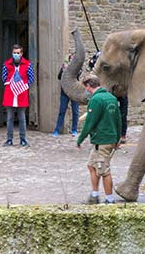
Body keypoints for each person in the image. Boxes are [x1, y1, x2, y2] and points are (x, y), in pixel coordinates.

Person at [77, 74, 122, 204]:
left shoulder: (96, 100)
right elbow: (119, 120)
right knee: (91, 166)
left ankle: (109, 199)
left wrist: (80, 139)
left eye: (85, 87)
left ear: (88, 86)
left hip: (102, 141)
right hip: (108, 139)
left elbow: (90, 122)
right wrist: (118, 138)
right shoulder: (111, 98)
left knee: (104, 170)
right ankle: (94, 195)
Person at [1, 44, 34, 147]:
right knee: (10, 118)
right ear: (12, 53)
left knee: (22, 118)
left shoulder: (27, 64)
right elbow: (4, 78)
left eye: (18, 53)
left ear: (21, 53)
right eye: (14, 53)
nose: (16, 54)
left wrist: (23, 87)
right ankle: (9, 139)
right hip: (10, 94)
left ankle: (23, 139)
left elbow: (31, 78)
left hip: (22, 94)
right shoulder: (6, 64)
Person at [52, 53, 80, 137]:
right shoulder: (64, 67)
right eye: (70, 59)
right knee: (62, 111)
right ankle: (57, 130)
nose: (72, 61)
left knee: (75, 111)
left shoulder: (78, 68)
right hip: (64, 92)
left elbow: (77, 76)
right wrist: (63, 69)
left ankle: (74, 130)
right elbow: (59, 77)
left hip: (74, 92)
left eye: (73, 59)